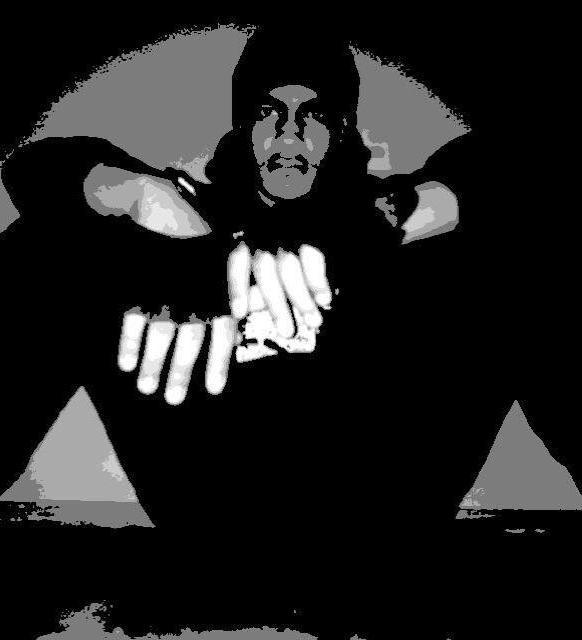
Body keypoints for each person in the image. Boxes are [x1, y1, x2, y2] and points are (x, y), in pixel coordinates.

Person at [0, 25, 571, 599]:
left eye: (313, 114)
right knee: (48, 244)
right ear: (242, 126)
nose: (289, 133)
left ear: (343, 127)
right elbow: (33, 167)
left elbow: (520, 164)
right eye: (268, 112)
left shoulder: (384, 211)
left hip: (384, 509)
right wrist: (156, 213)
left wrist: (373, 230)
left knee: (517, 248)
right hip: (213, 506)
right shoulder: (191, 213)